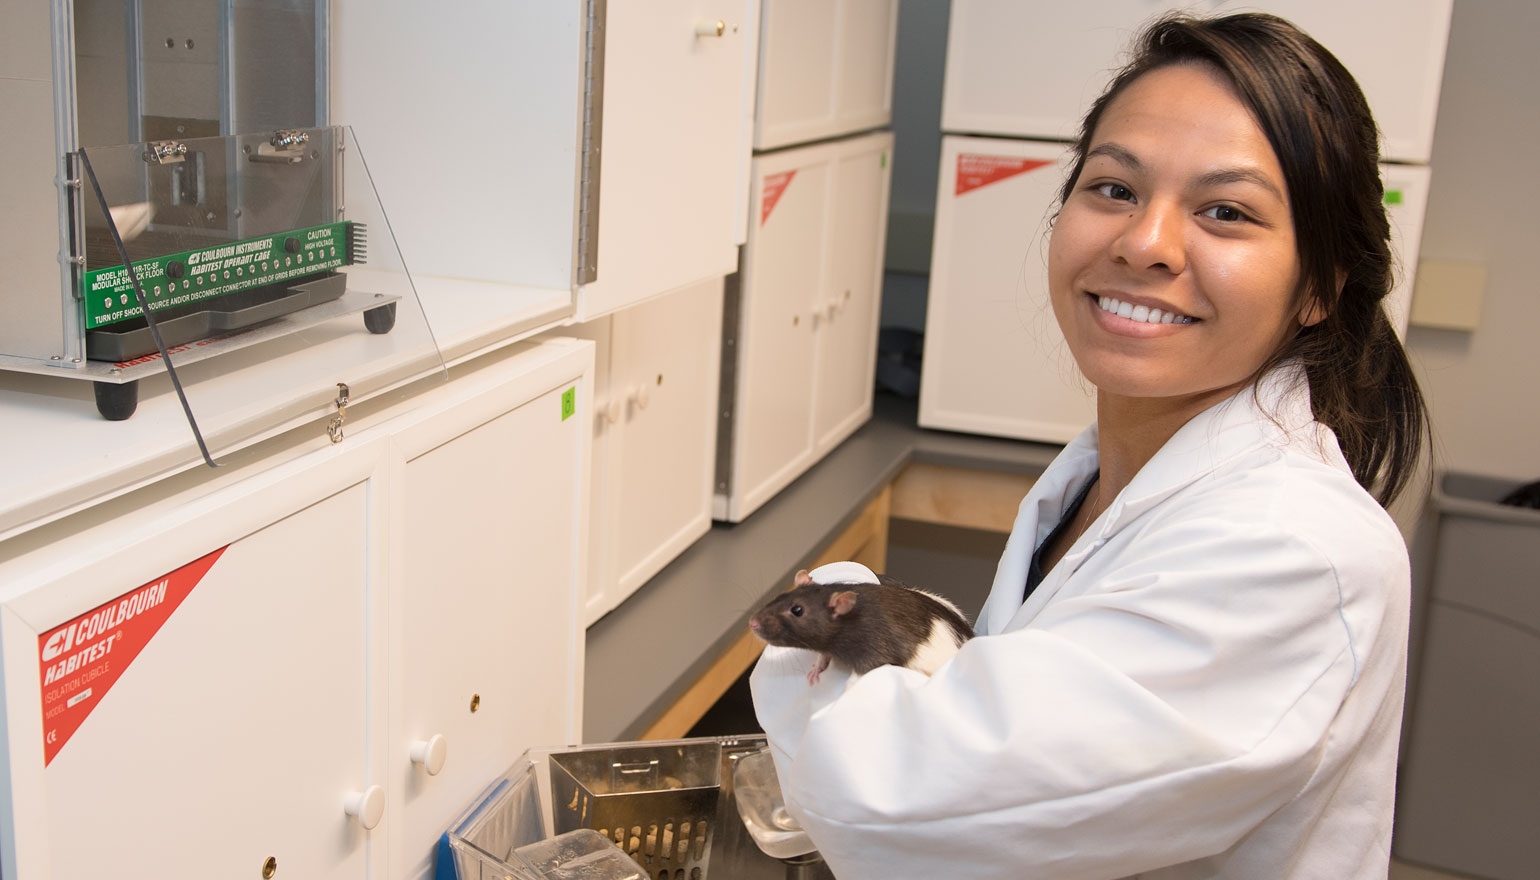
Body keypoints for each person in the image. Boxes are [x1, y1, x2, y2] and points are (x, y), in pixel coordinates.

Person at [750, 12, 1430, 879]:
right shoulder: (1106, 471)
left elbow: (891, 808)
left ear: (1320, 289)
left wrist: (832, 611)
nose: (1144, 243)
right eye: (1114, 189)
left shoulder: (1292, 550)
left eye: (1226, 212)